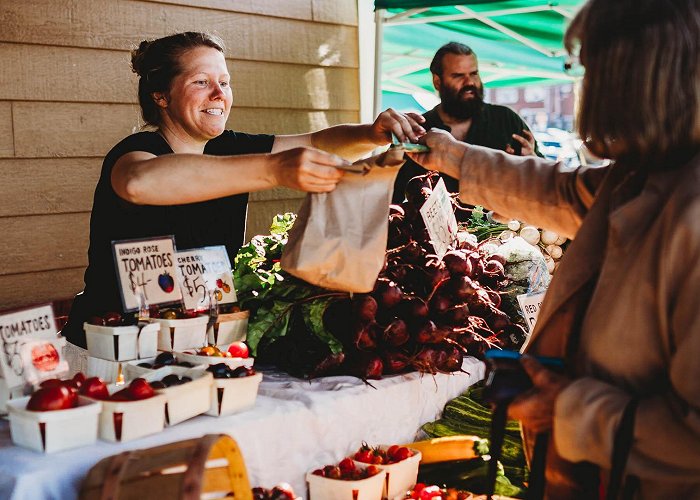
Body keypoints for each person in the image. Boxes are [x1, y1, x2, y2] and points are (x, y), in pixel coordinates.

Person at [407, 0, 700, 497]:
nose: (584, 86)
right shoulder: (644, 172)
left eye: (589, 67)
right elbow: (557, 188)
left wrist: (569, 409)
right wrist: (450, 154)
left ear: (638, 75)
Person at [63, 31, 425, 348]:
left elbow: (318, 141)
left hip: (197, 340)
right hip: (112, 345)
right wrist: (272, 168)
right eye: (201, 82)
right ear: (161, 96)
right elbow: (138, 182)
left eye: (225, 81)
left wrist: (370, 134)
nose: (219, 94)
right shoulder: (137, 151)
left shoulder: (230, 146)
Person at [392, 41, 542, 212]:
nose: (469, 82)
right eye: (458, 76)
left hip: (506, 234)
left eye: (474, 73)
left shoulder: (506, 120)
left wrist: (532, 160)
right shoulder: (416, 132)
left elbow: (544, 186)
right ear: (437, 82)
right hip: (432, 236)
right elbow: (391, 199)